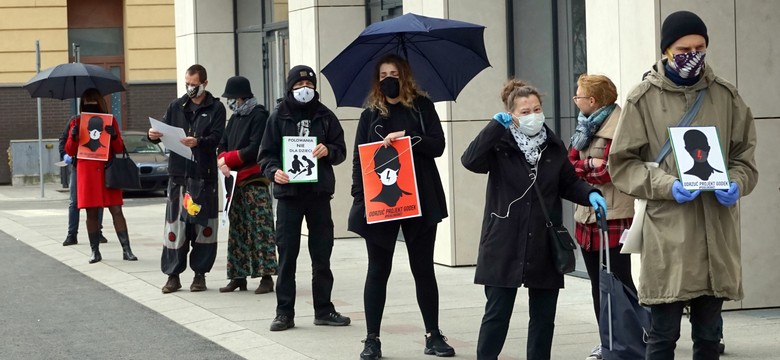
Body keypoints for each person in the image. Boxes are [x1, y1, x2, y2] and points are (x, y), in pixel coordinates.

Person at [608, 11, 758, 360]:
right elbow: (623, 164)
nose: (693, 54)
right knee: (662, 337)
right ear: (665, 51)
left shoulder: (726, 96)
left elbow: (744, 157)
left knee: (709, 339)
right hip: (669, 236)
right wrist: (665, 185)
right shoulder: (641, 99)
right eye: (683, 48)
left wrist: (736, 182)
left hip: (715, 235)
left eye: (700, 47)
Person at [461, 79, 607, 360]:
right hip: (503, 241)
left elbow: (568, 182)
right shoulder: (500, 145)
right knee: (496, 314)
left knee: (543, 319)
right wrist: (494, 127)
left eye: (536, 109)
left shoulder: (553, 146)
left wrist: (590, 194)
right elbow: (470, 160)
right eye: (525, 111)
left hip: (544, 242)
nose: (533, 115)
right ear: (512, 115)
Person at [347, 54, 454, 359]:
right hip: (381, 202)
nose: (388, 79)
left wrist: (408, 137)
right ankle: (372, 339)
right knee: (378, 270)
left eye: (393, 73)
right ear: (376, 80)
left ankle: (433, 335)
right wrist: (361, 197)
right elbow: (359, 159)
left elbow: (438, 145)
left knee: (423, 269)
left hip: (419, 199)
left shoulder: (421, 107)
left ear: (404, 75)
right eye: (383, 75)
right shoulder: (370, 115)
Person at [258, 65, 349, 331]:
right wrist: (274, 172)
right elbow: (265, 155)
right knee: (287, 255)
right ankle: (284, 312)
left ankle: (324, 309)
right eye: (299, 87)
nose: (304, 90)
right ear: (290, 89)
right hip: (289, 196)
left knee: (322, 255)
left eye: (309, 85)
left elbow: (341, 150)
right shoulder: (277, 117)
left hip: (319, 194)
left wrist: (328, 150)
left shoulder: (325, 116)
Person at [568, 74, 636, 360]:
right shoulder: (585, 127)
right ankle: (607, 341)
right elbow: (569, 165)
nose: (575, 100)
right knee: (598, 285)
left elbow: (610, 171)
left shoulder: (620, 127)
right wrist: (587, 164)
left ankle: (633, 336)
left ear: (592, 101)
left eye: (578, 96)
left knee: (619, 281)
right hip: (586, 216)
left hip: (614, 216)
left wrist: (584, 167)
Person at [148, 64, 226, 294]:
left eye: (195, 84)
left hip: (204, 176)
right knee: (176, 225)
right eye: (188, 84)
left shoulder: (216, 108)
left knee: (203, 225)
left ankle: (200, 274)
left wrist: (199, 141)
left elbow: (218, 137)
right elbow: (163, 130)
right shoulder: (176, 106)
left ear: (205, 83)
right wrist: (153, 136)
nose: (191, 88)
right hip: (179, 175)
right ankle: (173, 275)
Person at [216, 75, 278, 294]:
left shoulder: (259, 115)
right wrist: (222, 159)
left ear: (240, 97)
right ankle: (238, 276)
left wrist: (228, 158)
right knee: (238, 231)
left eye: (231, 98)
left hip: (254, 181)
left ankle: (266, 276)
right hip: (234, 183)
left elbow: (255, 148)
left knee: (260, 230)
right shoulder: (234, 118)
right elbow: (222, 143)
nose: (229, 102)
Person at [64, 88, 138, 264]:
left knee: (116, 210)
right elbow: (69, 150)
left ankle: (127, 250)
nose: (91, 106)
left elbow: (119, 148)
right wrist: (73, 137)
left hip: (108, 172)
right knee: (91, 213)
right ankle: (94, 251)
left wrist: (113, 136)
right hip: (87, 174)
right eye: (87, 103)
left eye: (94, 102)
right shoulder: (76, 122)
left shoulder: (110, 121)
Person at [59, 118, 108, 246]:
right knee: (74, 201)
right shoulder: (75, 121)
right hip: (78, 165)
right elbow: (63, 140)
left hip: (97, 165)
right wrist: (65, 154)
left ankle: (98, 231)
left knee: (98, 201)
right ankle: (72, 234)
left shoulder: (104, 119)